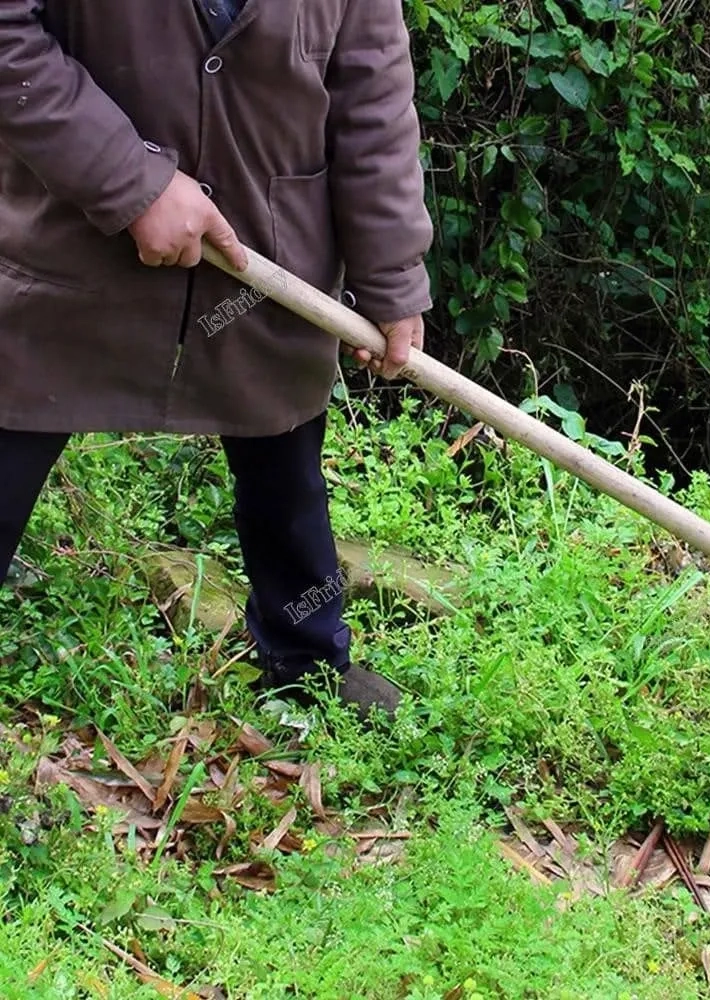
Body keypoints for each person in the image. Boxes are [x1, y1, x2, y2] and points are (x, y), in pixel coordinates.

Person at [0, 0, 434, 719]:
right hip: (66, 246)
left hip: (270, 253)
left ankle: (307, 661)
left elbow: (374, 99)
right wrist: (131, 179)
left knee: (284, 467)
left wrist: (391, 278)